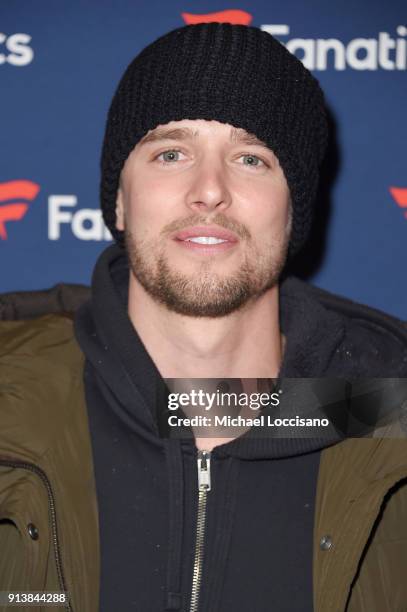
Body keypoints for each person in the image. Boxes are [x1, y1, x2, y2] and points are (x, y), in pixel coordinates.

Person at [1, 22, 407, 612]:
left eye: (251, 158)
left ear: (294, 210)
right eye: (171, 152)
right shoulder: (11, 393)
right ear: (119, 197)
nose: (209, 190)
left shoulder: (385, 418)